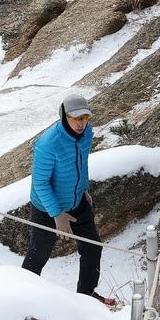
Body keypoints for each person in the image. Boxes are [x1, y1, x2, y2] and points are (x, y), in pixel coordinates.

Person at [21, 93, 117, 307]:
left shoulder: (87, 133)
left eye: (85, 117)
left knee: (93, 248)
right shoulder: (48, 143)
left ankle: (86, 295)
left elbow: (81, 164)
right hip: (47, 209)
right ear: (64, 116)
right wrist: (57, 214)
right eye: (75, 118)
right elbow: (40, 183)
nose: (81, 123)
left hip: (77, 202)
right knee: (39, 254)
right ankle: (23, 296)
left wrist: (84, 189)